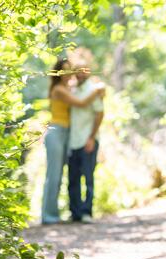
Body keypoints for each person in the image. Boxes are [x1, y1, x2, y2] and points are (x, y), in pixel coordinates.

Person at [41, 58, 105, 225]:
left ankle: (55, 214)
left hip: (67, 134)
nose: (67, 74)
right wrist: (98, 89)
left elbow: (86, 97)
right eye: (63, 71)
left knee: (60, 174)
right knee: (53, 175)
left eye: (69, 70)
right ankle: (48, 215)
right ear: (57, 72)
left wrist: (99, 87)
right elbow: (82, 103)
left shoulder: (69, 88)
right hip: (56, 132)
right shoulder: (59, 90)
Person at [67, 51, 105, 223]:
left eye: (84, 70)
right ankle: (75, 213)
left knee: (88, 178)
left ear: (88, 72)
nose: (80, 73)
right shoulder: (72, 90)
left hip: (88, 140)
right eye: (77, 70)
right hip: (73, 141)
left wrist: (91, 137)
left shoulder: (93, 90)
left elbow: (99, 114)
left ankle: (86, 212)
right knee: (73, 179)